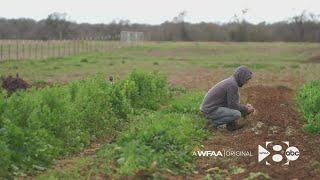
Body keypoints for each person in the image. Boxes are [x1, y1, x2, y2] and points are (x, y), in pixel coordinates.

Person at [200, 65, 255, 131]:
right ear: (241, 77)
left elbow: (232, 103)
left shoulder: (232, 82)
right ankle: (212, 124)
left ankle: (231, 125)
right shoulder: (232, 85)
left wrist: (244, 107)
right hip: (210, 110)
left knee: (235, 108)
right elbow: (233, 106)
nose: (246, 82)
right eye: (246, 79)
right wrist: (246, 109)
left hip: (210, 108)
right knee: (236, 114)